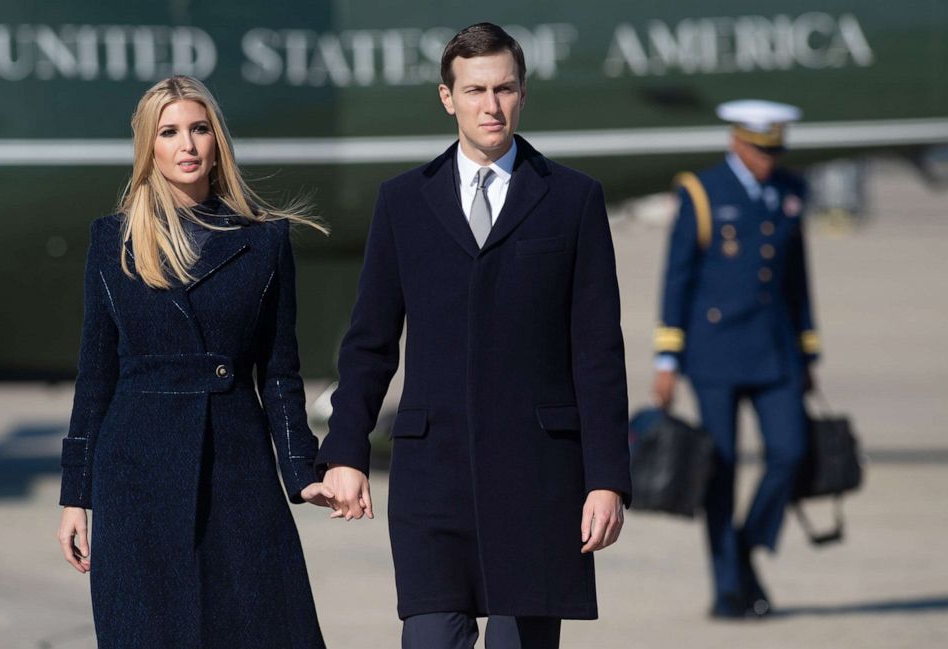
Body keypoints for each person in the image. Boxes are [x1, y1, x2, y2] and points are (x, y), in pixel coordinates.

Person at [316, 23, 632, 649]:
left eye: (505, 89)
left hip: (540, 479)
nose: (491, 106)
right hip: (434, 480)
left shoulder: (573, 200)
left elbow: (598, 353)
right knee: (430, 639)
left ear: (523, 94)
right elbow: (371, 342)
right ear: (447, 97)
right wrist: (346, 450)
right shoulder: (403, 203)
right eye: (476, 90)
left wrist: (607, 479)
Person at [55, 75, 334, 648]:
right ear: (148, 147)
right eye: (170, 131)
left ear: (217, 141)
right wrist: (75, 495)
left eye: (199, 129)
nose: (187, 145)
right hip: (135, 476)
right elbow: (96, 375)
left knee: (259, 628)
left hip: (237, 467)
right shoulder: (113, 242)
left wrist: (302, 472)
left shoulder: (265, 241)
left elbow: (280, 373)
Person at [652, 100, 820, 619]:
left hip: (775, 350)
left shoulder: (790, 191)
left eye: (774, 151)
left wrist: (808, 348)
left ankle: (744, 551)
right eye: (759, 150)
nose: (767, 161)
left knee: (791, 453)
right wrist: (667, 357)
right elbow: (677, 277)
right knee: (719, 471)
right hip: (715, 353)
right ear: (736, 143)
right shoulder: (702, 193)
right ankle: (729, 589)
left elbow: (796, 279)